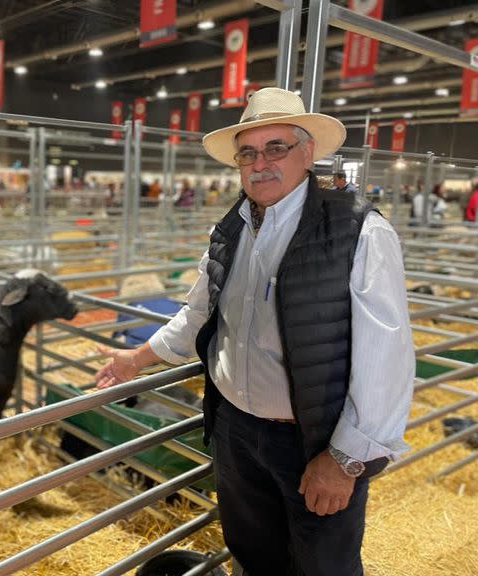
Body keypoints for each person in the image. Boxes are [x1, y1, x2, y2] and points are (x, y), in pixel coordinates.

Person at [94, 87, 414, 576]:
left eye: (276, 148)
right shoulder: (231, 229)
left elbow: (385, 357)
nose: (260, 163)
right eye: (248, 153)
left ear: (307, 153)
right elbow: (199, 312)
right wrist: (135, 360)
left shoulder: (359, 232)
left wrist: (345, 459)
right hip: (236, 432)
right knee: (254, 555)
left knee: (323, 565)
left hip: (313, 442)